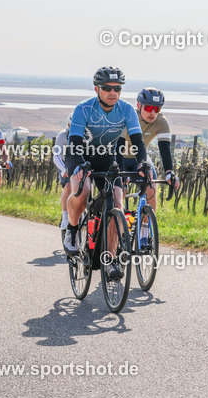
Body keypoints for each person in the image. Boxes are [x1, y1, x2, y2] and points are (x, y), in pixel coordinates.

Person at [63, 67, 149, 282]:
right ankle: (72, 229)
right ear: (97, 89)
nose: (113, 92)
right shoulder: (83, 109)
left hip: (107, 158)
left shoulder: (127, 110)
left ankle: (109, 260)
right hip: (80, 154)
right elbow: (74, 142)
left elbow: (137, 141)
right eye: (107, 88)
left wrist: (142, 163)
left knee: (117, 204)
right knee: (82, 192)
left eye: (117, 88)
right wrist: (80, 165)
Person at [116, 87, 180, 230]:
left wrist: (169, 171)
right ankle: (118, 229)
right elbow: (117, 147)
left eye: (156, 109)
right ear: (139, 106)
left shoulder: (161, 122)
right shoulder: (129, 118)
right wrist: (120, 172)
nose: (152, 113)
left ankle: (145, 229)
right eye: (149, 107)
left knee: (151, 187)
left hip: (140, 158)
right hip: (119, 156)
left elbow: (165, 149)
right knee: (121, 190)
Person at [53, 116, 72, 244]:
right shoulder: (63, 136)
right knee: (69, 187)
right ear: (69, 125)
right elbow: (56, 156)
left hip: (81, 163)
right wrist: (64, 169)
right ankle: (65, 217)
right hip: (65, 163)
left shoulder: (87, 134)